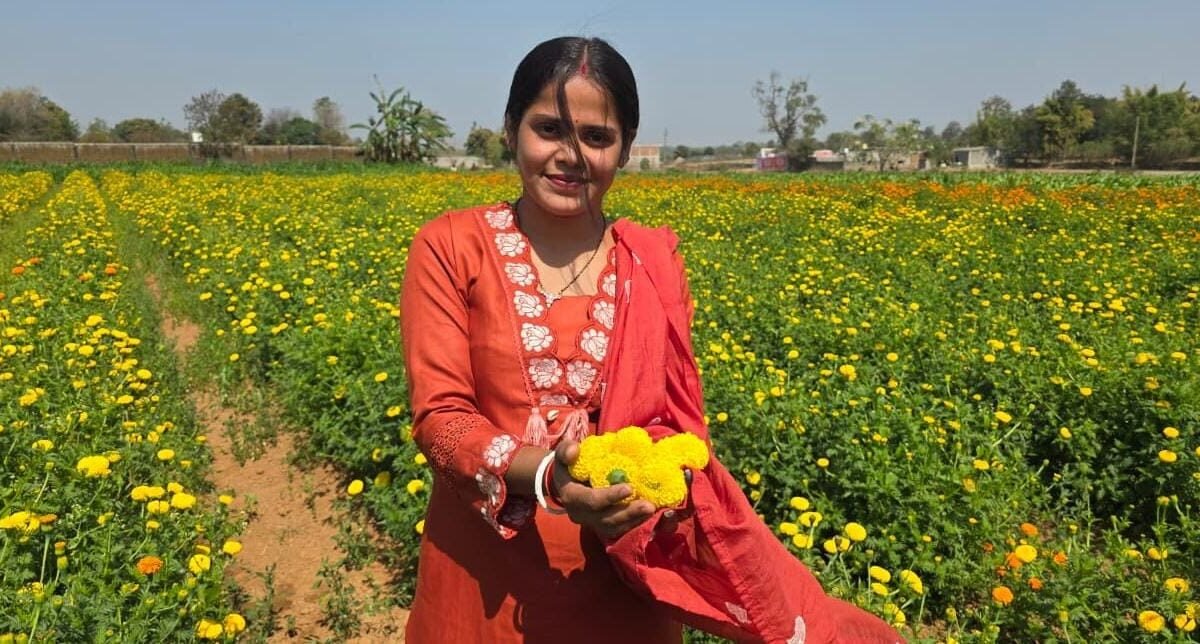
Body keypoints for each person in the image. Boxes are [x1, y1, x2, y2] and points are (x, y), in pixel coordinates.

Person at [401, 36, 903, 643]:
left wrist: (659, 478)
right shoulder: (452, 247)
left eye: (596, 137)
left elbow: (670, 417)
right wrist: (550, 477)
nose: (570, 156)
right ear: (511, 129)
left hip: (623, 577)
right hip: (481, 584)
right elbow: (442, 417)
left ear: (626, 147)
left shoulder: (650, 263)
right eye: (549, 129)